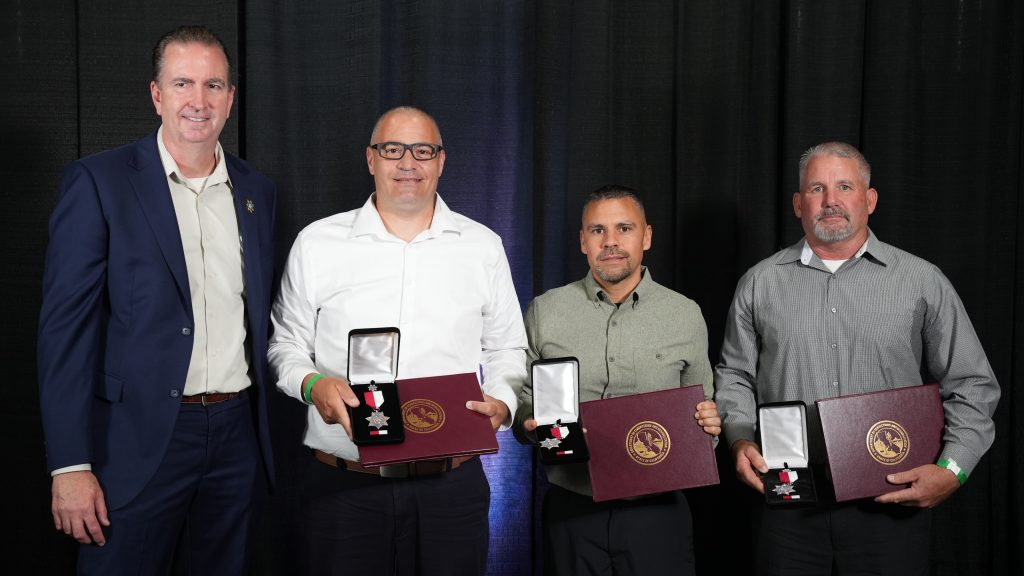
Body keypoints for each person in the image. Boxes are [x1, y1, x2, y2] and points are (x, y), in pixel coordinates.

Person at [37, 25, 277, 574]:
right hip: (135, 442)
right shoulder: (98, 183)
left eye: (213, 85)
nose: (199, 101)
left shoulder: (255, 191)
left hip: (236, 435)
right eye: (183, 83)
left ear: (231, 98)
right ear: (156, 94)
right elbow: (64, 336)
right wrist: (69, 465)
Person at [714, 141, 1000, 574]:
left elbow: (972, 384)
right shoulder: (759, 284)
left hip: (890, 503)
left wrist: (953, 469)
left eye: (844, 186)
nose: (830, 200)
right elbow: (734, 375)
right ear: (797, 204)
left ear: (869, 199)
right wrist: (739, 439)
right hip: (788, 503)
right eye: (816, 189)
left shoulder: (922, 281)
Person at [268, 106, 527, 575]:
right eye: (393, 150)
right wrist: (312, 386)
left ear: (441, 161)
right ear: (371, 159)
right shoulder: (318, 242)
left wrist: (504, 402)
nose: (408, 163)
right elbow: (285, 344)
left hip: (452, 487)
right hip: (344, 484)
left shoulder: (482, 246)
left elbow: (509, 348)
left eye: (422, 151)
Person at [512, 185, 721, 576]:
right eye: (597, 230)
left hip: (657, 511)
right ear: (582, 241)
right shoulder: (546, 310)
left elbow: (703, 413)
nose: (611, 242)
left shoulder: (685, 314)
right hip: (572, 506)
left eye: (624, 228)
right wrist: (526, 420)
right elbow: (524, 398)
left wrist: (710, 427)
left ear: (647, 236)